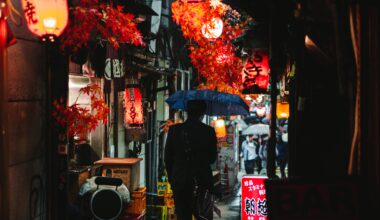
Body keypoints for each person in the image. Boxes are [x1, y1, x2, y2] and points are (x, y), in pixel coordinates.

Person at [164, 100, 217, 220]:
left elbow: (168, 158)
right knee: (202, 215)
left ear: (187, 112)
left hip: (180, 182)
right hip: (201, 182)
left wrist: (173, 179)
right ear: (203, 113)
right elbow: (212, 158)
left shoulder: (174, 131)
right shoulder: (208, 131)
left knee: (183, 216)